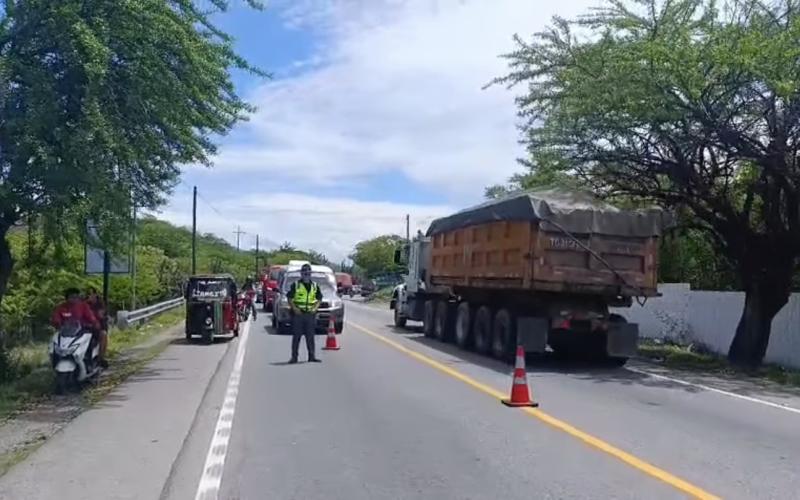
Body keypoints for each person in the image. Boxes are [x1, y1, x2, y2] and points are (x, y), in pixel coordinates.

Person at [51, 288, 104, 365]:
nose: (74, 299)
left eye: (76, 297)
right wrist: (57, 323)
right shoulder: (61, 307)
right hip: (66, 332)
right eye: (71, 297)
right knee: (54, 343)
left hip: (83, 331)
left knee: (94, 338)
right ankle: (54, 360)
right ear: (67, 298)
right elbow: (56, 318)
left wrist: (95, 323)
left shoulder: (83, 306)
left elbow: (91, 317)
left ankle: (95, 360)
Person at [286, 264, 323, 363]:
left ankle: (311, 356)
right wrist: (294, 308)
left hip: (310, 314)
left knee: (310, 336)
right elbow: (289, 298)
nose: (306, 275)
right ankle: (294, 357)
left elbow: (319, 298)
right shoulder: (296, 285)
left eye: (308, 273)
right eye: (304, 273)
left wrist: (315, 308)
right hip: (298, 314)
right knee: (297, 336)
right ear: (301, 274)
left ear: (310, 274)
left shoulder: (315, 285)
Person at [85, 287, 109, 368]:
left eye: (91, 294)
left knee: (103, 334)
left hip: (95, 328)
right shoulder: (83, 304)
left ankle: (100, 358)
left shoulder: (100, 303)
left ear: (95, 294)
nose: (89, 296)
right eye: (88, 294)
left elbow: (101, 315)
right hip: (83, 328)